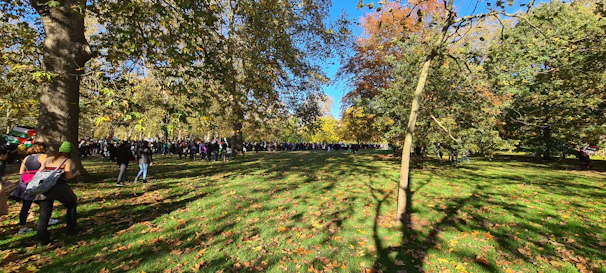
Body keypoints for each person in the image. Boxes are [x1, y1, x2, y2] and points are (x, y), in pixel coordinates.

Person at [36, 141, 80, 246]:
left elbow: (40, 171)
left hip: (45, 187)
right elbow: (68, 176)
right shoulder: (67, 160)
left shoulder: (48, 159)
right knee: (71, 203)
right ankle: (71, 228)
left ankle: (41, 240)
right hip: (58, 187)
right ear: (70, 152)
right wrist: (76, 174)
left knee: (44, 214)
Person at [9, 143, 59, 234]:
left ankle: (22, 227)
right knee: (44, 203)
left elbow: (21, 171)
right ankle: (47, 219)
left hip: (25, 181)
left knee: (26, 205)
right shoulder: (43, 156)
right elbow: (44, 168)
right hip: (37, 181)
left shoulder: (26, 158)